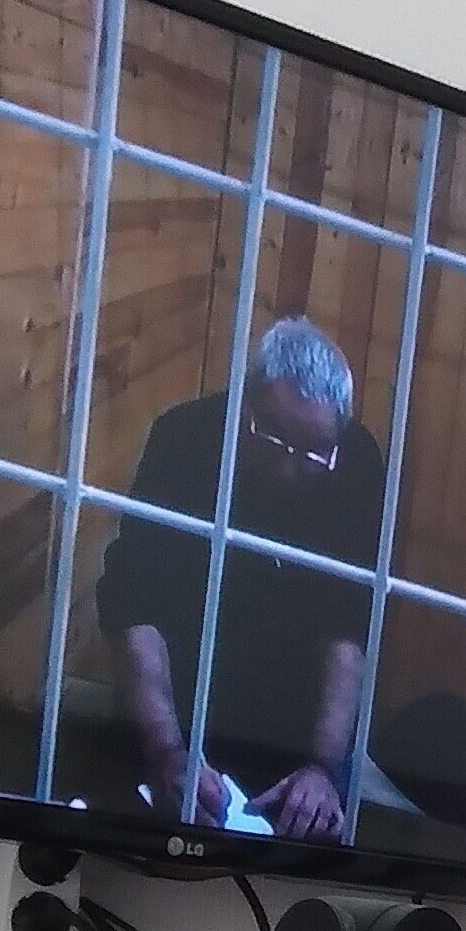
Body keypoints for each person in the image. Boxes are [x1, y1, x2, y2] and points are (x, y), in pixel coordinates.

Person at [93, 317, 388, 840]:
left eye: (314, 453)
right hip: (181, 705)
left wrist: (322, 767)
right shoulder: (184, 438)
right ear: (243, 404)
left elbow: (350, 625)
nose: (289, 468)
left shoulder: (357, 462)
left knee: (318, 837)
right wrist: (166, 747)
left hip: (295, 728)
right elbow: (134, 602)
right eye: (273, 438)